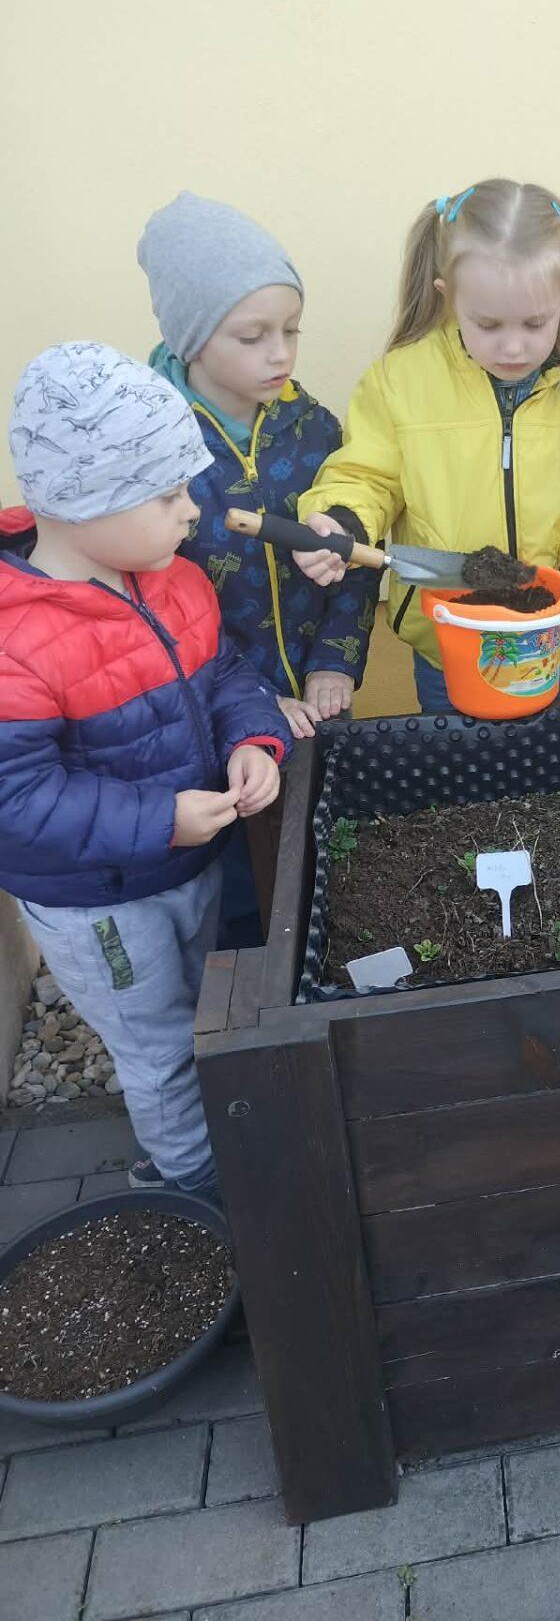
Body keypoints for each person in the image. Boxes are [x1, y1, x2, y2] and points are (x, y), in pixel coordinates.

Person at [0, 344, 289, 1198]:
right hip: (99, 902)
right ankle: (191, 1187)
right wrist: (161, 819)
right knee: (158, 1046)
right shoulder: (17, 640)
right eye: (166, 496)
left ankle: (213, 1146)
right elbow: (18, 796)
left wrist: (253, 739)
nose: (191, 512)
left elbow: (226, 673)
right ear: (84, 500)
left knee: (197, 1015)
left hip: (187, 867)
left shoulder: (172, 581)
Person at [295, 180, 560, 714]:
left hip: (554, 638)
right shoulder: (400, 379)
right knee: (460, 768)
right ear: (447, 295)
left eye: (535, 323)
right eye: (488, 324)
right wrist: (344, 521)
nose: (513, 346)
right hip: (449, 636)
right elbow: (367, 476)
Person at [138, 191, 378, 741]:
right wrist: (251, 695)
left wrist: (335, 660)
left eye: (291, 330)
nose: (280, 353)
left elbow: (354, 552)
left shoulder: (314, 426)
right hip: (213, 713)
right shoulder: (153, 449)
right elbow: (153, 602)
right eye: (253, 336)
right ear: (191, 340)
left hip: (321, 700)